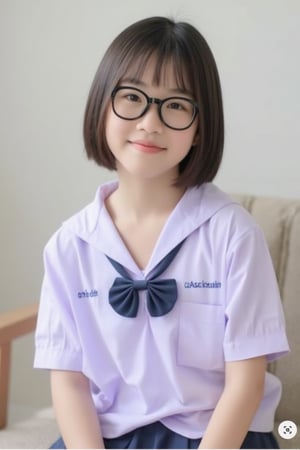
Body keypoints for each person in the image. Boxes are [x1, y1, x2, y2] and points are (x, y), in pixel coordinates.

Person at [34, 16, 290, 449]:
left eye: (175, 104)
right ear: (101, 106)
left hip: (218, 436)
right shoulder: (70, 246)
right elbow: (69, 382)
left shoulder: (233, 235)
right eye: (132, 97)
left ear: (200, 127)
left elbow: (244, 385)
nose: (150, 122)